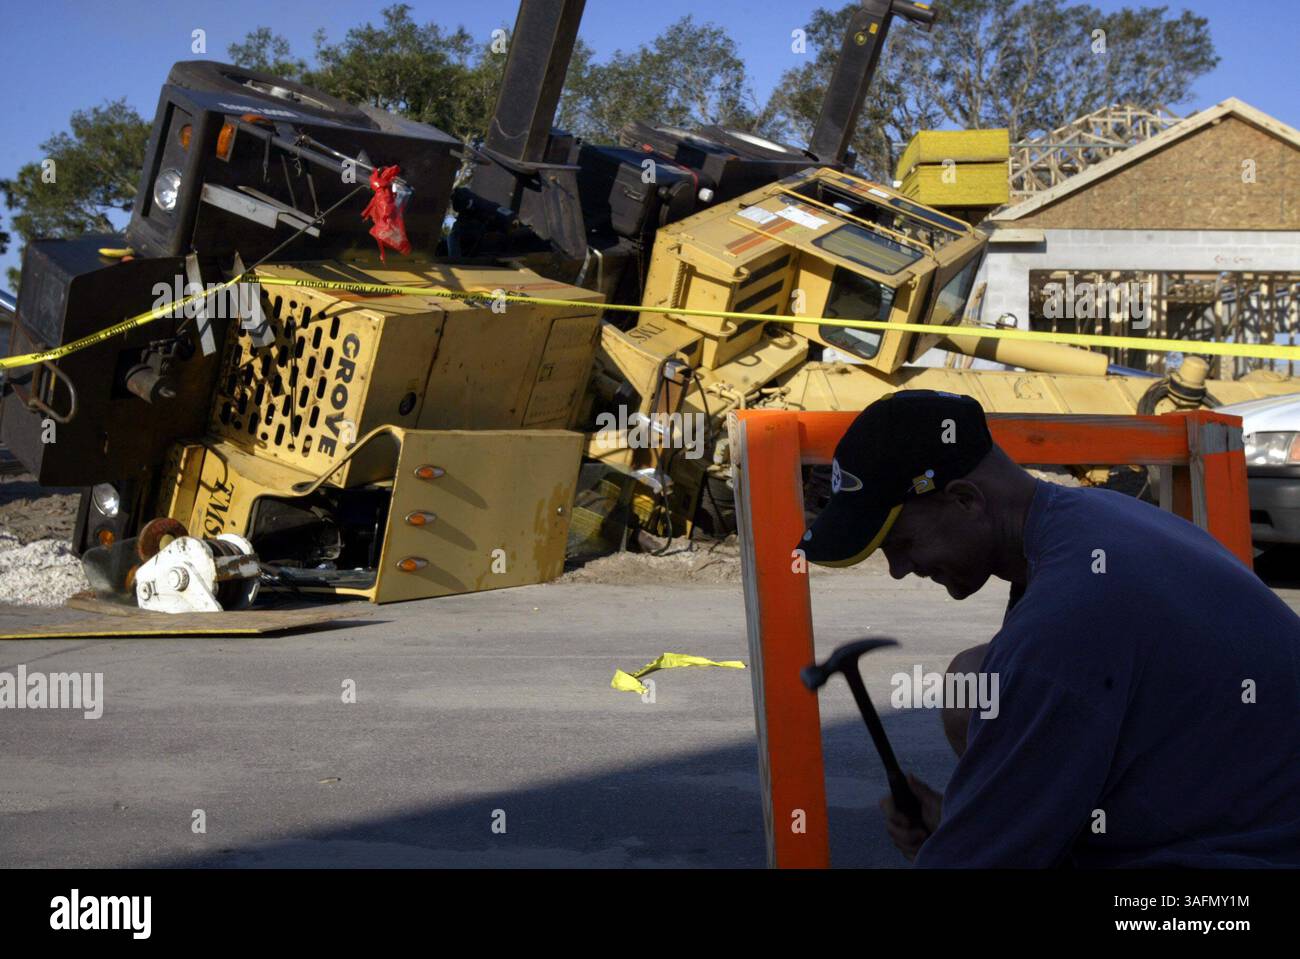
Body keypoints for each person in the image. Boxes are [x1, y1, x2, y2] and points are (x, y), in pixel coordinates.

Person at [798, 389, 1300, 867]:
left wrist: (971, 843)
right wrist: (968, 820)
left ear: (966, 500)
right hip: (1243, 807)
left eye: (902, 543)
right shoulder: (1088, 518)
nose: (899, 569)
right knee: (975, 680)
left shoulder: (1067, 617)